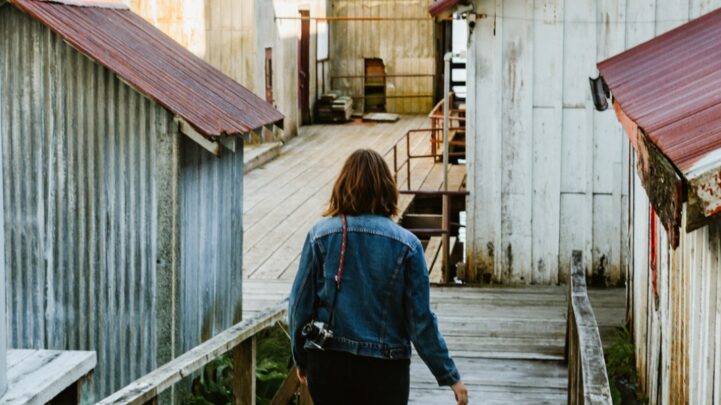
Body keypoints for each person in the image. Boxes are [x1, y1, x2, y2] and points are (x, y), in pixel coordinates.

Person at [288, 149, 468, 405]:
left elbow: (298, 307)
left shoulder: (320, 236)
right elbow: (420, 321)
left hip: (329, 364)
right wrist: (449, 375)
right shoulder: (408, 245)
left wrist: (301, 357)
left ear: (342, 185)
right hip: (386, 370)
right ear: (387, 189)